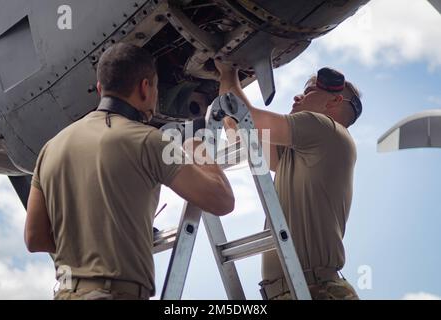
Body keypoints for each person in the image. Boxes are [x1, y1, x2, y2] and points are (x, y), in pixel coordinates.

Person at [24, 43, 235, 300]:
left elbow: (34, 238)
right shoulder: (149, 141)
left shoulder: (51, 147)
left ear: (101, 89)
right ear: (145, 87)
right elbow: (221, 201)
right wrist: (197, 148)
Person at [216, 61, 361, 300]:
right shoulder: (301, 152)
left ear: (334, 101)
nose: (297, 96)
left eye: (309, 91)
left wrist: (228, 70)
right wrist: (226, 77)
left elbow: (248, 119)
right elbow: (239, 127)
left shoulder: (325, 128)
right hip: (298, 289)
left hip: (316, 291)